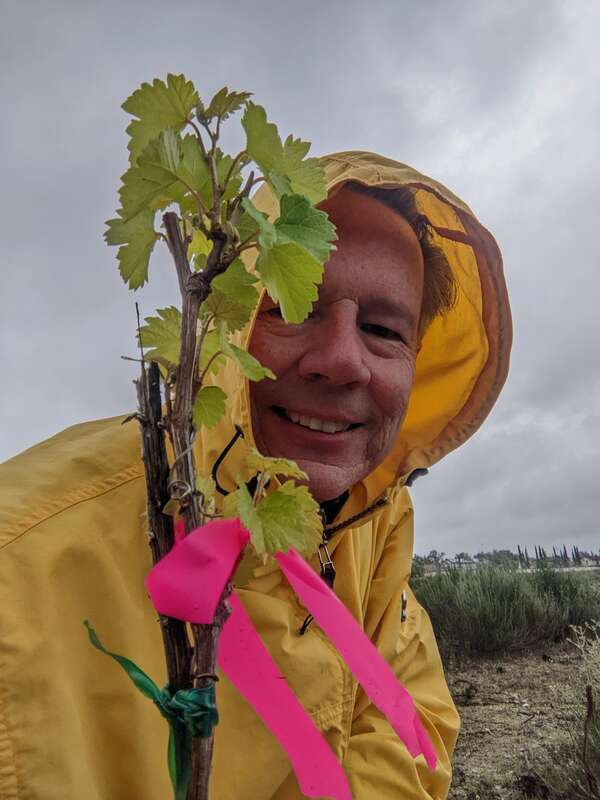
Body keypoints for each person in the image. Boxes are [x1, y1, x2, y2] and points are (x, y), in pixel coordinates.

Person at [0, 151, 512, 800]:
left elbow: (412, 727)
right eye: (294, 306)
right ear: (221, 320)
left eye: (383, 329)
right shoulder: (21, 567)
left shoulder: (375, 518)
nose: (342, 361)